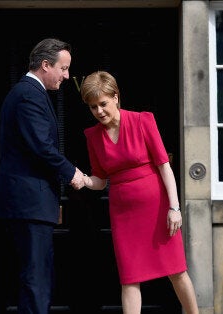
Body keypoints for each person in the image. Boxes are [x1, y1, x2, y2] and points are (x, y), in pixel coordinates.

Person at [79, 71, 199, 314]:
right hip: (123, 215)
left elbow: (164, 166)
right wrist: (81, 180)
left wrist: (175, 208)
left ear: (115, 97)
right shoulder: (92, 137)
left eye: (103, 104)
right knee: (130, 277)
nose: (99, 111)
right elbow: (101, 181)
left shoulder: (143, 121)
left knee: (176, 270)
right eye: (93, 107)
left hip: (158, 209)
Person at [0, 38, 85, 314]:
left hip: (28, 204)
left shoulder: (29, 92)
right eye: (63, 68)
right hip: (28, 205)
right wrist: (72, 173)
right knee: (36, 280)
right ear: (45, 65)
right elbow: (41, 146)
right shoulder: (29, 94)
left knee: (35, 277)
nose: (67, 76)